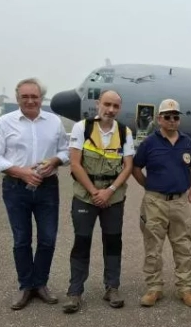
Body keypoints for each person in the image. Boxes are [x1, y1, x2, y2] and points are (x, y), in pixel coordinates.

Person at [0, 78, 69, 310]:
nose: (30, 101)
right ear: (18, 98)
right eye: (25, 97)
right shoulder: (5, 122)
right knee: (22, 240)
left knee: (48, 239)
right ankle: (25, 286)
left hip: (47, 187)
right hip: (15, 188)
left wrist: (55, 160)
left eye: (35, 96)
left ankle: (40, 284)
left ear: (41, 98)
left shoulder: (54, 122)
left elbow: (66, 151)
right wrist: (21, 172)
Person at [62, 90, 135, 314]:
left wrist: (109, 191)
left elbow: (128, 166)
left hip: (114, 198)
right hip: (86, 196)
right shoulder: (82, 127)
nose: (110, 110)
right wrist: (95, 192)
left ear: (119, 108)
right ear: (98, 104)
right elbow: (75, 164)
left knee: (113, 242)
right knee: (81, 242)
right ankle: (75, 292)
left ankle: (112, 287)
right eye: (107, 104)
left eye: (115, 106)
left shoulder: (124, 132)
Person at [132, 98, 191, 307]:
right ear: (159, 119)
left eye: (176, 117)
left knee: (183, 246)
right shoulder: (149, 143)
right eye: (168, 117)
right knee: (153, 247)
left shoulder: (186, 141)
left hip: (179, 202)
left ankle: (185, 288)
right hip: (155, 202)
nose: (172, 120)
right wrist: (150, 187)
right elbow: (136, 168)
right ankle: (154, 288)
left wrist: (188, 185)